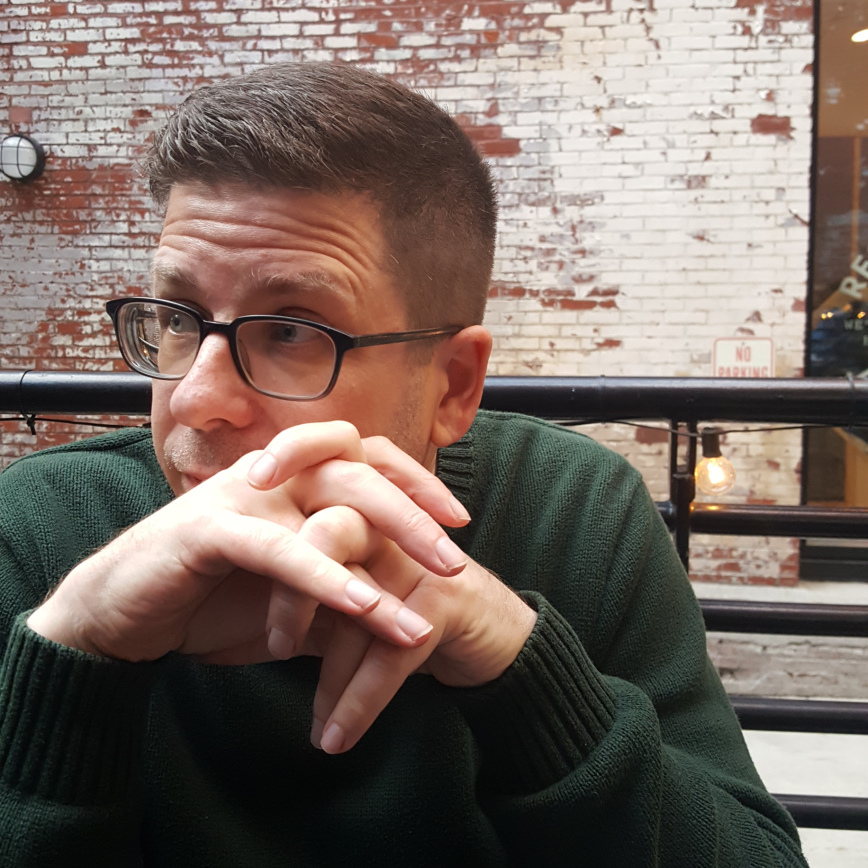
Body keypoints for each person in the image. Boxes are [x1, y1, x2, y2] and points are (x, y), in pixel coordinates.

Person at [0, 62, 807, 867]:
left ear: (452, 386)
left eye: (291, 331)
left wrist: (521, 672)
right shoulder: (45, 526)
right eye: (178, 317)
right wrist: (75, 659)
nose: (197, 398)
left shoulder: (575, 511)